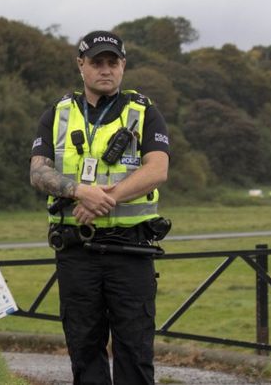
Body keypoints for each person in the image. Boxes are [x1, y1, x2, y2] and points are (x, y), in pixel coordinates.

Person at [29, 30, 170, 384]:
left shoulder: (144, 111)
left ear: (123, 66)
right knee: (84, 350)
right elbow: (38, 171)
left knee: (135, 351)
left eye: (113, 62)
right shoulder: (57, 114)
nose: (105, 69)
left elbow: (157, 170)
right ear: (81, 66)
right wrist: (80, 192)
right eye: (97, 62)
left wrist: (104, 199)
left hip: (131, 250)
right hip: (77, 251)